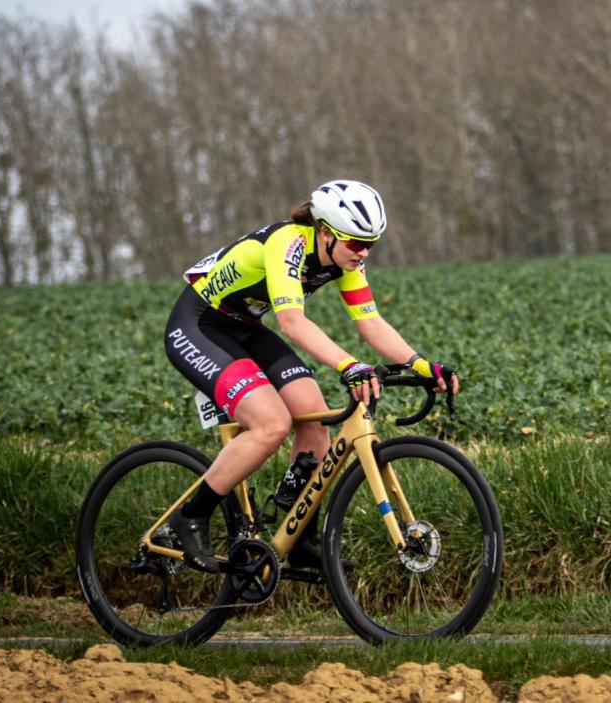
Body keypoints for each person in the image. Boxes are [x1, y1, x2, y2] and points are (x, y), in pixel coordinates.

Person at [163, 179, 459, 572]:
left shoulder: (344, 259)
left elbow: (370, 323)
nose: (363, 251)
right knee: (271, 424)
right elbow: (292, 322)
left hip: (244, 326)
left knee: (315, 418)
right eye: (355, 243)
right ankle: (190, 517)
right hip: (199, 325)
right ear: (325, 232)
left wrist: (423, 365)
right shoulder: (287, 243)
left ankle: (297, 533)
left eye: (371, 243)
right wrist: (350, 366)